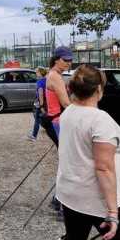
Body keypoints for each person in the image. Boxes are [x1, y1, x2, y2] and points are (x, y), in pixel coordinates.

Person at [33, 65, 120, 240]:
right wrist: (112, 212)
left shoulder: (69, 112)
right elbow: (104, 167)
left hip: (71, 195)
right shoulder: (100, 119)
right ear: (99, 90)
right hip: (101, 201)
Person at [45, 47, 73, 219]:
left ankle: (57, 200)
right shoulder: (55, 76)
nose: (69, 62)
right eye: (65, 59)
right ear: (56, 59)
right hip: (58, 123)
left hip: (56, 122)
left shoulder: (56, 75)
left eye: (70, 60)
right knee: (67, 165)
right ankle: (63, 206)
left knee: (66, 162)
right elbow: (65, 103)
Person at [28, 67, 47, 141]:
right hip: (45, 103)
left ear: (41, 72)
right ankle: (34, 135)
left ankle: (34, 136)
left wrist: (41, 105)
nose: (36, 74)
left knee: (38, 119)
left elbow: (41, 93)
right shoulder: (46, 80)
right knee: (39, 119)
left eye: (37, 72)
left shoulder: (40, 82)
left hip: (40, 104)